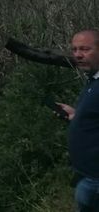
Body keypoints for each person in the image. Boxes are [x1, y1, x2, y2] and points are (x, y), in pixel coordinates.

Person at [58, 29, 99, 211]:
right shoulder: (93, 81)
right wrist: (76, 115)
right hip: (86, 176)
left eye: (84, 49)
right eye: (74, 50)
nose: (78, 55)